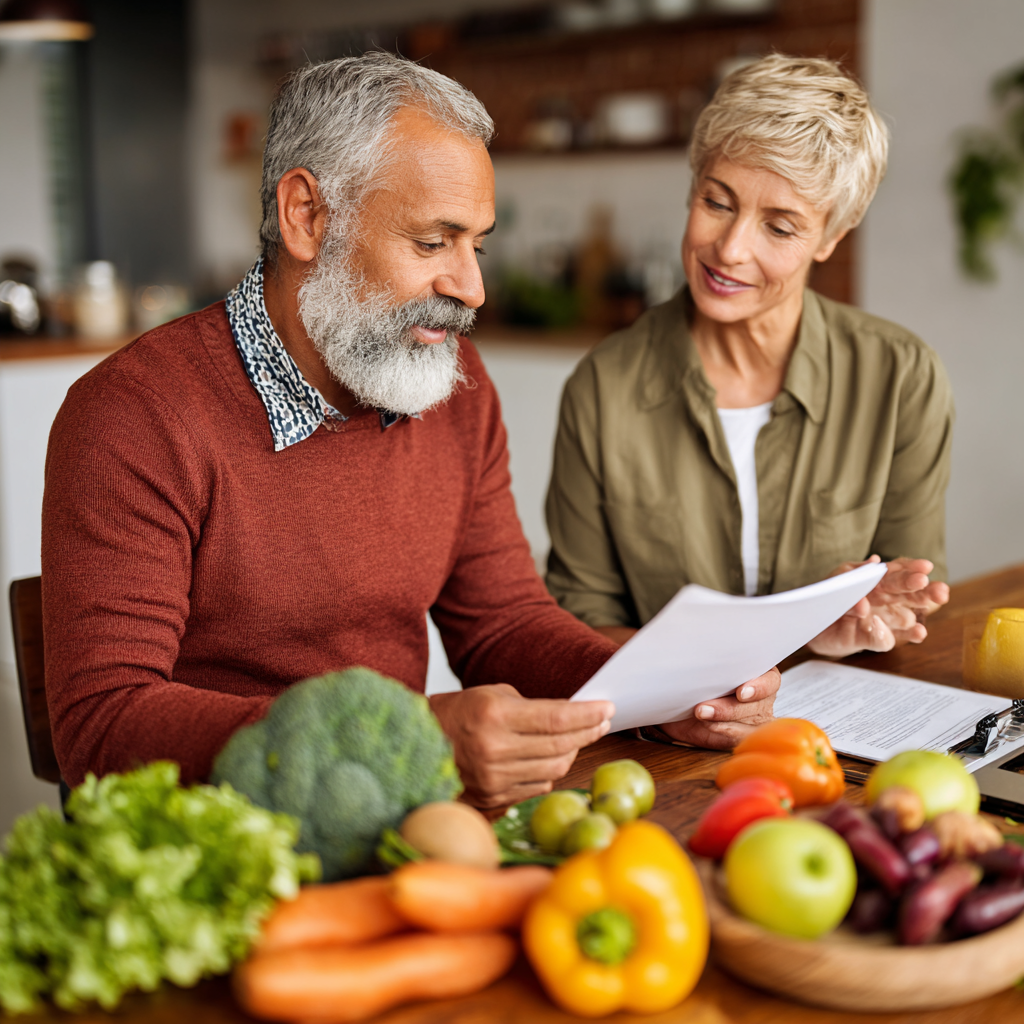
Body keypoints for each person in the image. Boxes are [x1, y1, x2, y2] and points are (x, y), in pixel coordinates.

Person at [41, 54, 779, 808]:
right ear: (306, 216)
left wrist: (665, 693)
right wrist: (407, 739)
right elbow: (102, 725)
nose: (472, 289)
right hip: (220, 834)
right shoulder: (133, 414)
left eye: (476, 246)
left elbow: (502, 625)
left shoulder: (454, 386)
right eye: (432, 243)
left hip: (400, 818)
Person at [546, 55, 953, 691]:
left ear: (832, 236)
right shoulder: (602, 389)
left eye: (780, 227)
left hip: (838, 722)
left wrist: (863, 618)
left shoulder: (901, 378)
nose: (731, 250)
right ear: (693, 188)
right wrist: (711, 682)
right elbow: (578, 620)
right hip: (669, 727)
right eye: (717, 202)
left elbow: (908, 592)